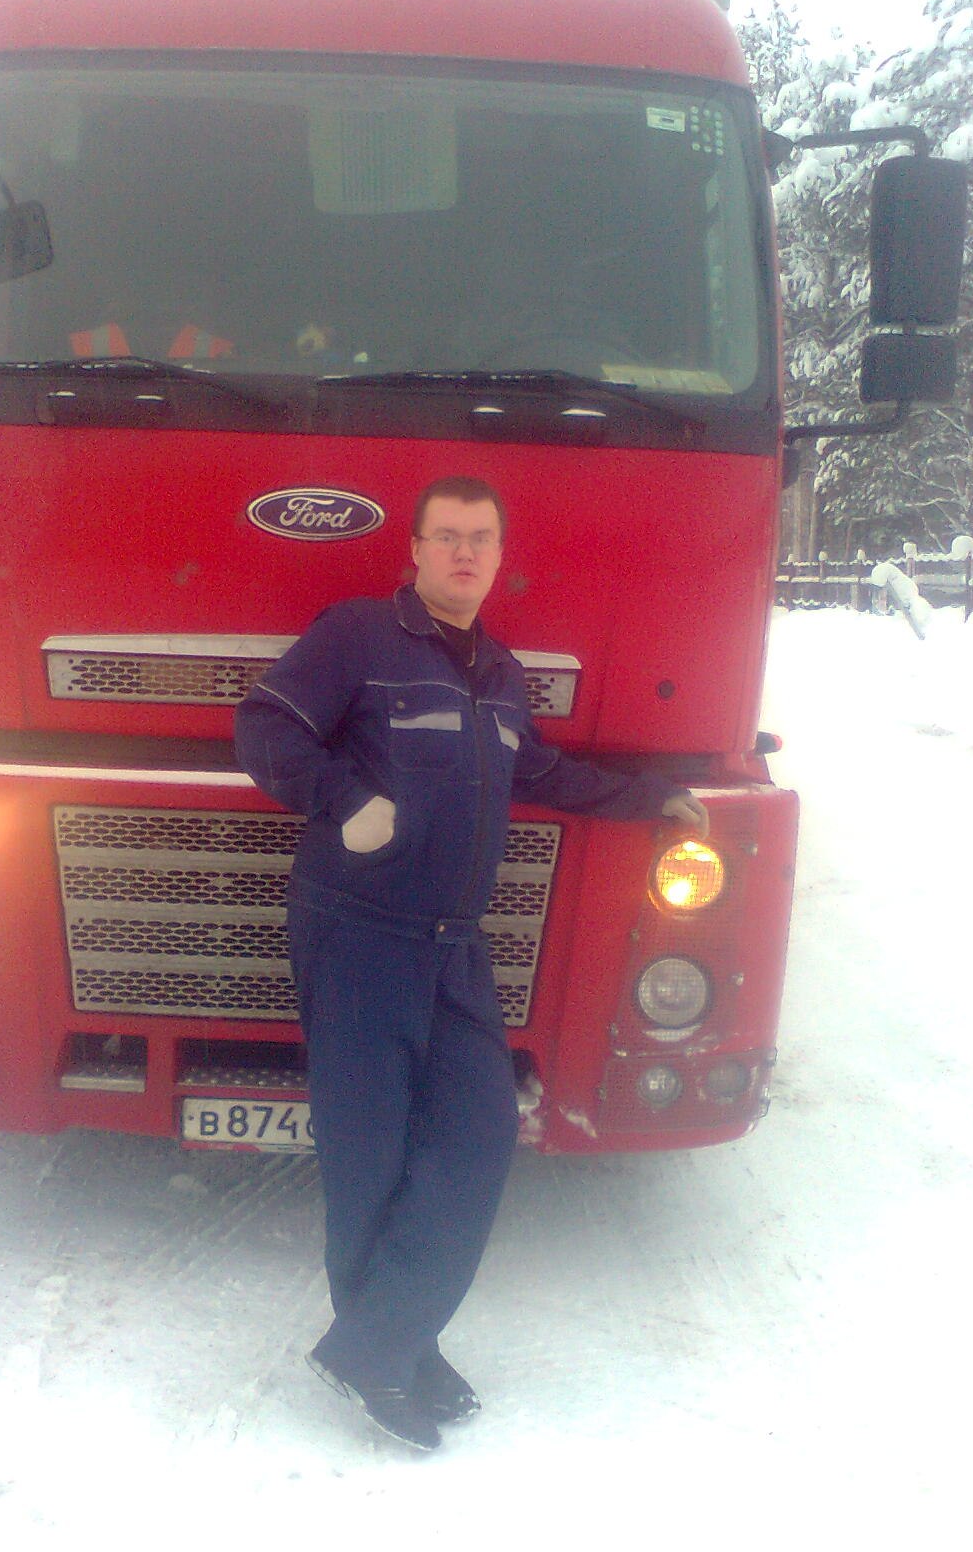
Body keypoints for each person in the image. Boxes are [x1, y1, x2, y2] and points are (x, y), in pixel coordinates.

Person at [233, 476, 708, 1451]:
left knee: (481, 1133)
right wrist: (342, 799)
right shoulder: (359, 635)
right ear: (413, 549)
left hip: (452, 940)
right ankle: (391, 1348)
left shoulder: (498, 671)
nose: (463, 552)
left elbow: (538, 769)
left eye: (480, 538)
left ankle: (381, 1339)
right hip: (357, 927)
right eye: (446, 536)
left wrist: (648, 797)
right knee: (370, 1152)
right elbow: (264, 727)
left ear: (498, 555)